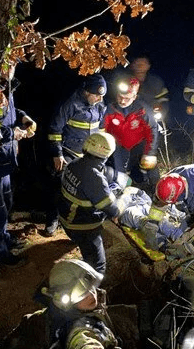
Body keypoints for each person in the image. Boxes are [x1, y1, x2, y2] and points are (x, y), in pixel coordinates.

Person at [0, 64, 37, 266]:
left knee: (6, 204)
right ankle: (0, 254)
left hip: (5, 161)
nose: (10, 68)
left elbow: (9, 111)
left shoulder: (5, 86)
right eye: (6, 64)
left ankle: (6, 239)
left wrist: (24, 118)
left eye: (13, 64)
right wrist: (12, 134)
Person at [45, 74, 108, 236]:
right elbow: (54, 130)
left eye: (102, 96)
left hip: (88, 156)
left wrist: (101, 152)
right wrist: (57, 154)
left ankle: (78, 220)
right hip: (68, 153)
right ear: (87, 91)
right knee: (60, 186)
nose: (99, 99)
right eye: (96, 95)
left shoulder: (100, 105)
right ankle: (53, 219)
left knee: (86, 188)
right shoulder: (71, 103)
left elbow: (101, 130)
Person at [57, 133, 124, 275]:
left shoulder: (74, 163)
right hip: (82, 226)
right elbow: (108, 206)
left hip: (65, 217)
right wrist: (117, 213)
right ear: (107, 153)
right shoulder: (94, 177)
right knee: (97, 265)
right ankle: (90, 288)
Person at [37, 259, 119, 349]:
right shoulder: (79, 332)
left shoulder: (62, 311)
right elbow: (85, 343)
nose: (91, 295)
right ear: (66, 302)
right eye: (81, 294)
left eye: (91, 287)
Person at [103, 74, 159, 193]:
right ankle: (123, 195)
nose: (122, 101)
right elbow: (103, 130)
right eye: (120, 97)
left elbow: (152, 131)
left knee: (150, 166)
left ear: (134, 96)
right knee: (120, 175)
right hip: (119, 147)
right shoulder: (110, 109)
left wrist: (150, 152)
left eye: (127, 98)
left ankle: (159, 191)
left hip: (140, 145)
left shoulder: (143, 110)